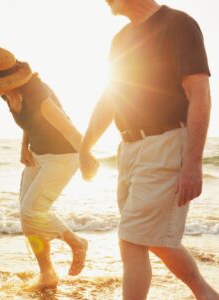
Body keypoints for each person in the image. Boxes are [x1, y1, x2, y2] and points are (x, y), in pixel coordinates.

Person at [80, 1, 219, 299]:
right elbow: (110, 98)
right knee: (151, 237)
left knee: (131, 241)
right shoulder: (120, 40)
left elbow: (200, 95)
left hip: (167, 142)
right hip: (129, 149)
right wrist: (85, 145)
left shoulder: (179, 24)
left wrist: (192, 164)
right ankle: (206, 294)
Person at [0, 47, 88, 290]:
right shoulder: (5, 93)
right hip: (38, 155)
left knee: (33, 211)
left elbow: (69, 129)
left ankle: (76, 243)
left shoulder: (39, 95)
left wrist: (88, 159)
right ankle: (47, 273)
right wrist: (24, 146)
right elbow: (29, 122)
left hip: (63, 156)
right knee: (27, 218)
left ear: (7, 79)